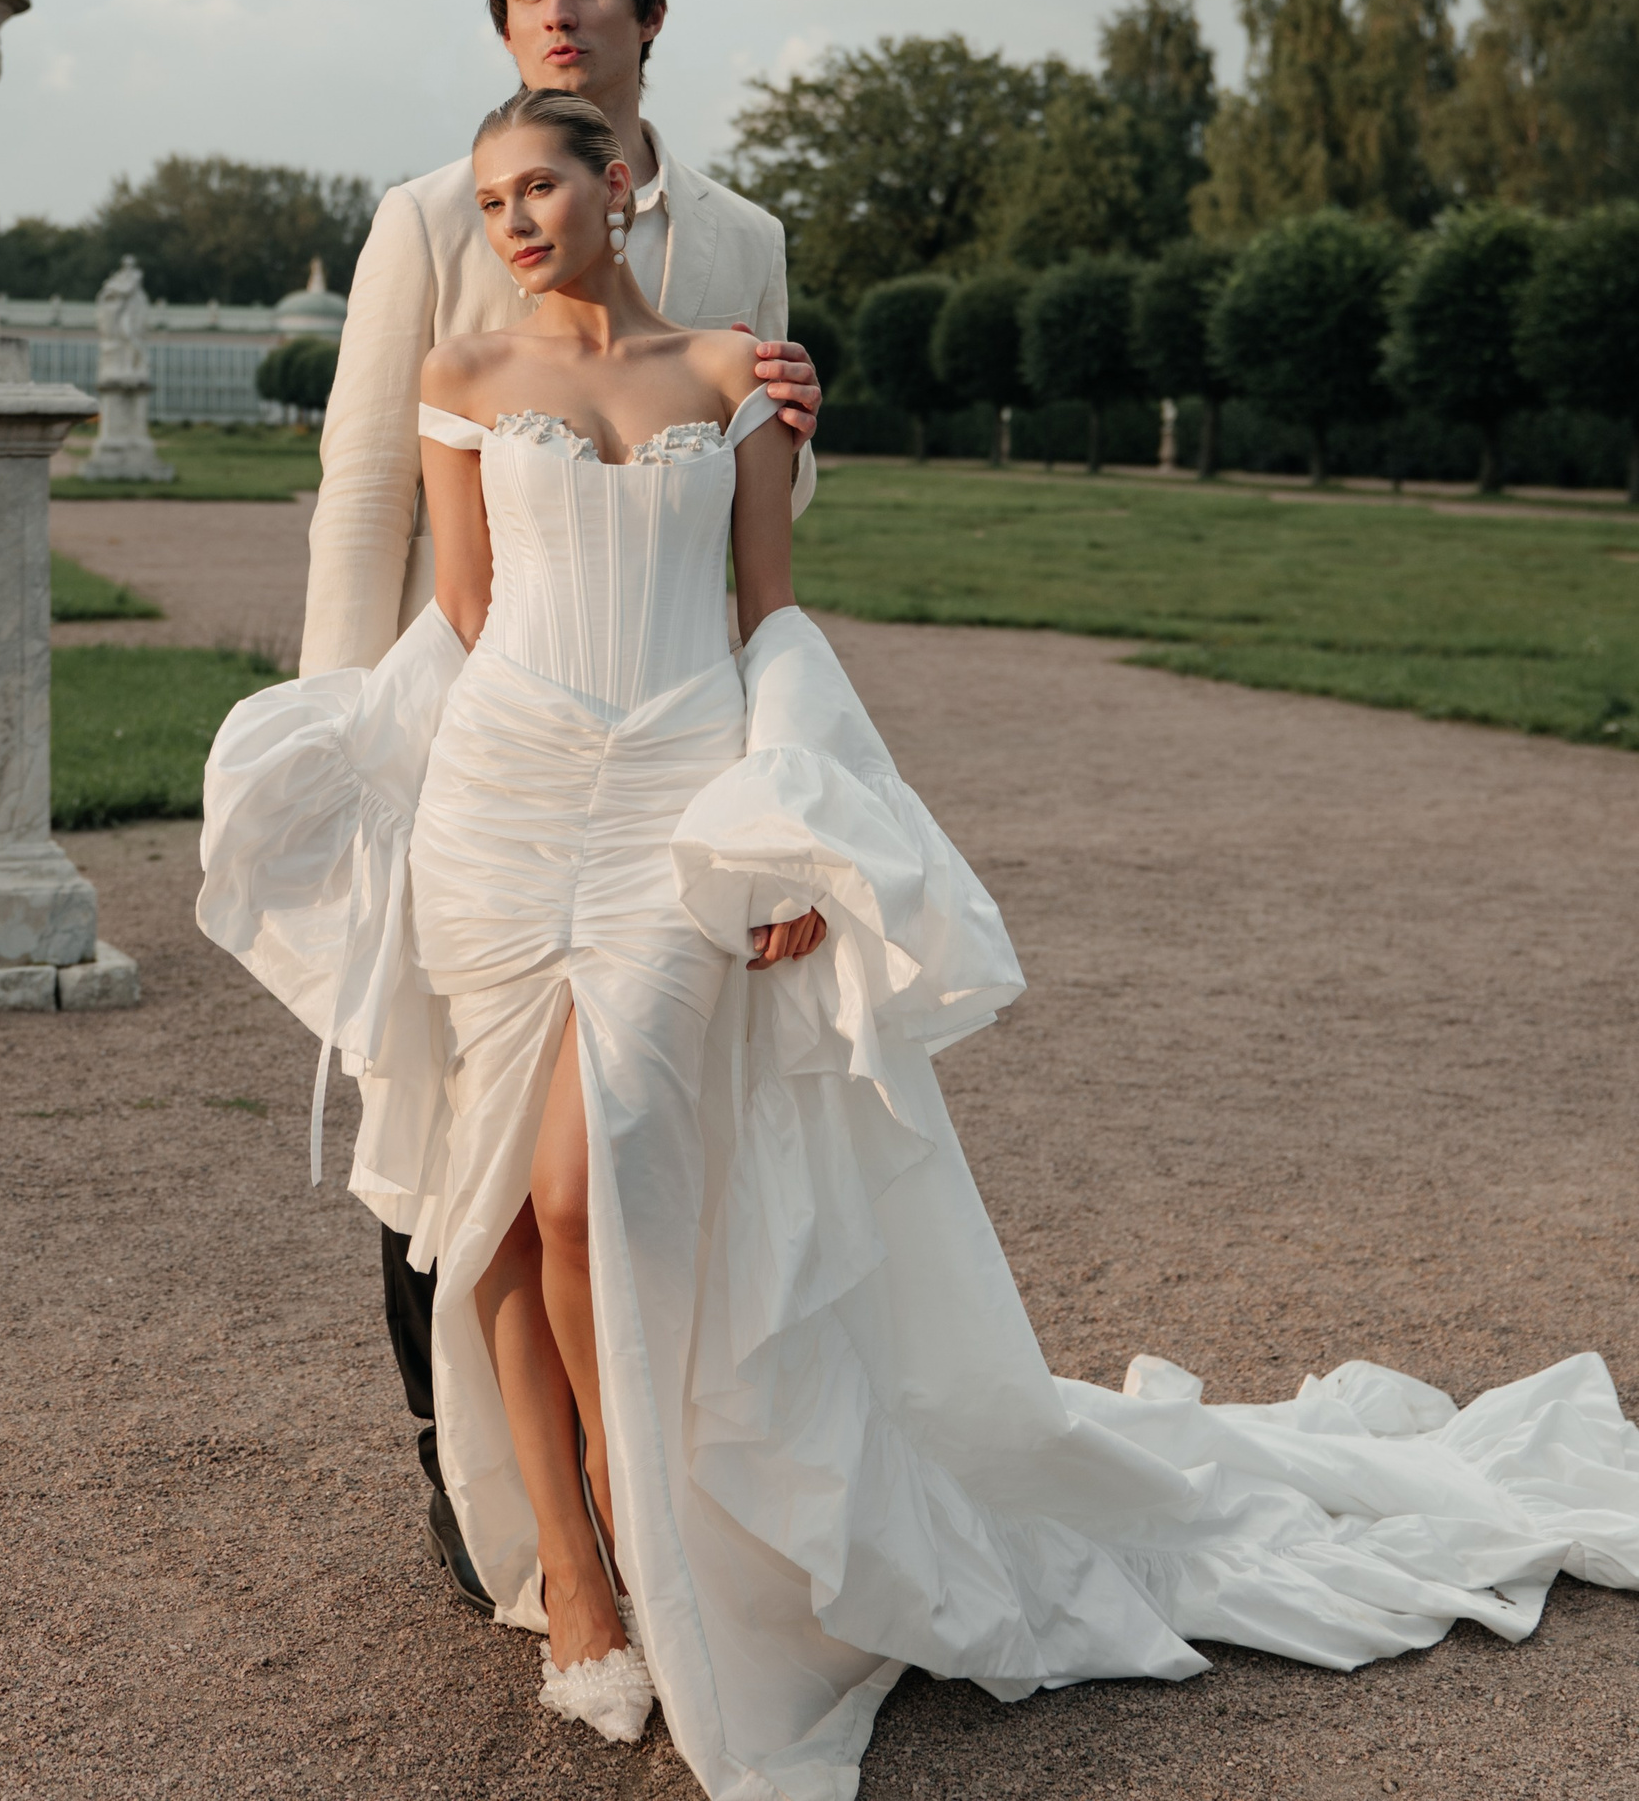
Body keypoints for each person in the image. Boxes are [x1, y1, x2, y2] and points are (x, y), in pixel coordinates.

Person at [202, 87, 1639, 1798]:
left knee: (593, 1190)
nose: (511, 220)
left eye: (542, 188)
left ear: (618, 186)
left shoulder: (734, 373)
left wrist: (790, 829)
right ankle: (582, 1580)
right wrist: (341, 770)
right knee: (497, 1197)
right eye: (493, 195)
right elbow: (459, 615)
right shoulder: (464, 370)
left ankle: (646, 1528)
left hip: (669, 803)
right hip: (497, 811)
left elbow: (769, 617)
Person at [297, 0, 825, 1611]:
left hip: (666, 746)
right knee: (452, 1134)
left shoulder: (742, 237)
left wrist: (798, 426)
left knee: (622, 1147)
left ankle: (678, 1477)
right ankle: (476, 1486)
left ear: (643, 17)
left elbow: (756, 508)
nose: (556, 14)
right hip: (479, 748)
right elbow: (366, 496)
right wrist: (350, 751)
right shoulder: (425, 220)